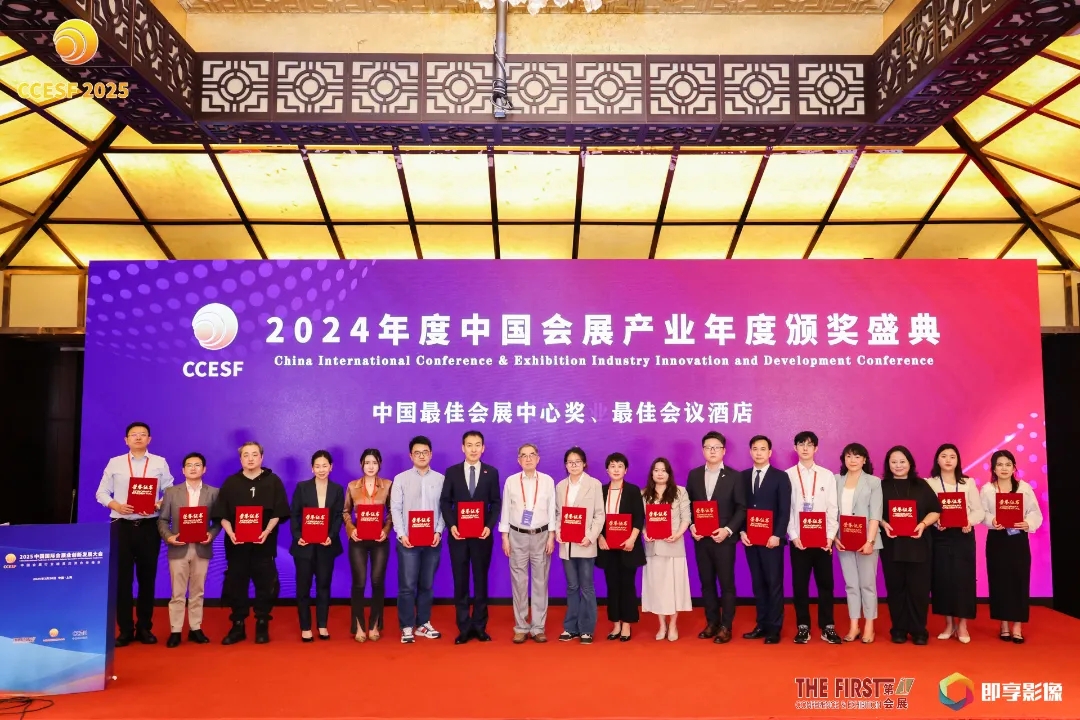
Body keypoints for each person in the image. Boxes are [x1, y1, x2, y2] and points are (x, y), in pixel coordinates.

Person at [96, 421, 174, 646]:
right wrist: (116, 505)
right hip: (122, 526)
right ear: (126, 440)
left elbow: (170, 490)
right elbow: (101, 493)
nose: (138, 438)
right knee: (123, 580)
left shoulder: (159, 462)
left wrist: (159, 503)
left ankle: (144, 628)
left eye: (142, 434)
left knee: (147, 579)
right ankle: (125, 630)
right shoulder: (115, 462)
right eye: (133, 434)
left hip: (149, 526)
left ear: (149, 439)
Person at [212, 441, 291, 645]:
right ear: (240, 459)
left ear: (261, 458)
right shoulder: (231, 483)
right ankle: (237, 625)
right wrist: (231, 533)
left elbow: (279, 511)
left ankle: (262, 622)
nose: (250, 458)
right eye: (246, 455)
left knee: (266, 584)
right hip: (237, 545)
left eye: (254, 454)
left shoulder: (273, 481)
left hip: (264, 544)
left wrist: (266, 531)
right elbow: (221, 513)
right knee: (236, 585)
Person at [440, 430, 502, 644]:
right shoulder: (452, 472)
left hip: (482, 536)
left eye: (477, 445)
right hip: (458, 537)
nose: (473, 449)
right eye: (469, 445)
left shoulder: (491, 472)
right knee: (461, 581)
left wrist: (489, 526)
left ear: (483, 448)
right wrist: (452, 525)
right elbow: (445, 502)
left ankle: (480, 626)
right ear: (462, 447)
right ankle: (464, 627)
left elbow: (496, 503)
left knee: (481, 580)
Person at [686, 431, 745, 644]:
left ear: (724, 451)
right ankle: (712, 622)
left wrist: (727, 530)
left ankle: (726, 626)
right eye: (708, 447)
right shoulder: (694, 475)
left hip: (724, 540)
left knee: (726, 584)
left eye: (716, 447)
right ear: (703, 450)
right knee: (707, 583)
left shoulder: (735, 476)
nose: (712, 451)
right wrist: (691, 525)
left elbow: (741, 508)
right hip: (701, 540)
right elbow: (688, 505)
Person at [879, 445, 941, 645]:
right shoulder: (881, 486)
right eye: (893, 462)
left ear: (910, 463)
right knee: (896, 589)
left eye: (902, 461)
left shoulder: (921, 485)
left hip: (919, 545)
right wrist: (883, 523)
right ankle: (898, 629)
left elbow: (935, 511)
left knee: (919, 590)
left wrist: (923, 524)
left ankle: (918, 630)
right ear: (888, 464)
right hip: (892, 545)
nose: (898, 465)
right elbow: (873, 512)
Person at [156, 452, 219, 648]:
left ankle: (195, 628)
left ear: (204, 469)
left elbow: (218, 521)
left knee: (197, 591)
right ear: (183, 470)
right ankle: (175, 630)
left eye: (197, 465)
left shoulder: (214, 492)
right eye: (189, 465)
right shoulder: (171, 492)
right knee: (177, 592)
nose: (193, 468)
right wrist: (169, 537)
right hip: (178, 548)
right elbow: (162, 520)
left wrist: (211, 534)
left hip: (201, 547)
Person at [980, 449, 1043, 644]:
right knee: (999, 581)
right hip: (997, 539)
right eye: (999, 465)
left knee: (1018, 580)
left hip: (1018, 540)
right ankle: (1004, 624)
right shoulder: (987, 489)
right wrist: (992, 520)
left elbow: (1035, 512)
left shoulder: (1024, 488)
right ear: (993, 469)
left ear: (1014, 468)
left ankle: (1017, 626)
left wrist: (1027, 523)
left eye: (1008, 464)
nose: (1004, 468)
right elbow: (982, 513)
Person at [785, 431, 842, 645]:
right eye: (801, 444)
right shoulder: (788, 475)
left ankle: (828, 626)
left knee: (826, 584)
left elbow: (832, 508)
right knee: (800, 585)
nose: (805, 448)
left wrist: (830, 537)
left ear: (816, 448)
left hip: (822, 541)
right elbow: (787, 510)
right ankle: (803, 626)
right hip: (799, 540)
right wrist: (793, 535)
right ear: (795, 448)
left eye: (809, 445)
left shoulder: (827, 475)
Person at [498, 443, 556, 644]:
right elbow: (506, 509)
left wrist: (551, 536)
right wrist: (504, 537)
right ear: (519, 460)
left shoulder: (547, 481)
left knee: (540, 582)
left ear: (538, 458)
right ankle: (521, 627)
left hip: (541, 535)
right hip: (517, 536)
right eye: (524, 455)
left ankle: (538, 627)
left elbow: (552, 509)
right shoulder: (511, 481)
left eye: (532, 455)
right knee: (519, 583)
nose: (528, 459)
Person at [390, 435, 446, 644]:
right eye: (417, 453)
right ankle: (406, 626)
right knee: (407, 586)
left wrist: (438, 532)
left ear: (431, 454)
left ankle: (423, 623)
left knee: (427, 585)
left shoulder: (441, 479)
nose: (421, 456)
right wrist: (401, 534)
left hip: (432, 541)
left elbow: (444, 509)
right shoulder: (401, 479)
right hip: (408, 542)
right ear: (410, 455)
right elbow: (395, 508)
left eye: (425, 452)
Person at [927, 443, 983, 644]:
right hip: (940, 536)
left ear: (958, 460)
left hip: (963, 536)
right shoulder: (930, 483)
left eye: (952, 456)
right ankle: (949, 624)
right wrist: (936, 523)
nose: (948, 460)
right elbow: (927, 510)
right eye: (944, 456)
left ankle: (963, 625)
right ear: (937, 459)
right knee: (943, 580)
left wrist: (969, 521)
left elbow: (978, 510)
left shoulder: (967, 482)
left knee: (963, 580)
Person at [739, 435, 791, 644]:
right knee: (758, 583)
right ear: (750, 452)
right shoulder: (742, 477)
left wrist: (777, 535)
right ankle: (761, 624)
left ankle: (775, 628)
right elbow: (739, 508)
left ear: (770, 452)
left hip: (772, 541)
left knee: (774, 584)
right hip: (750, 540)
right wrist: (742, 531)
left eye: (762, 449)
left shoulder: (780, 477)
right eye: (755, 449)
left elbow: (785, 509)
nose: (758, 452)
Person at [289, 450, 345, 642]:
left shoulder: (337, 489)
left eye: (325, 466)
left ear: (331, 467)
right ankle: (305, 627)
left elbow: (338, 516)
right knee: (303, 588)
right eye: (317, 466)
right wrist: (298, 536)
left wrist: (331, 536)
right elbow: (294, 514)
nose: (321, 470)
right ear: (312, 468)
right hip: (304, 546)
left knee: (323, 586)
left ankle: (322, 625)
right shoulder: (302, 487)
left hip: (326, 545)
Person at [553, 447, 605, 644]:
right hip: (567, 544)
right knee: (572, 586)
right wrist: (558, 531)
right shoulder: (561, 486)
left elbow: (599, 515)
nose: (573, 465)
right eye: (570, 462)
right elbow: (558, 513)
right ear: (565, 465)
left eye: (577, 462)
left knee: (587, 587)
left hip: (585, 543)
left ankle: (587, 629)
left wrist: (591, 537)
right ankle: (570, 627)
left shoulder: (594, 484)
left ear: (584, 463)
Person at [833, 442, 882, 644]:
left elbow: (875, 514)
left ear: (864, 460)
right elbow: (831, 511)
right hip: (843, 541)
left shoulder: (873, 482)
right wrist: (834, 537)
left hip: (867, 541)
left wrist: (870, 540)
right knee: (851, 584)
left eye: (857, 456)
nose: (852, 460)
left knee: (867, 585)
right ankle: (854, 626)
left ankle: (869, 626)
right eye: (848, 456)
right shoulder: (836, 480)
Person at [343, 449, 392, 643]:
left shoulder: (388, 485)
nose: (371, 466)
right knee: (359, 583)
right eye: (367, 463)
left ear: (380, 464)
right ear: (361, 465)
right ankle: (359, 626)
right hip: (358, 540)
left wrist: (386, 530)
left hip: (380, 539)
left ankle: (374, 625)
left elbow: (392, 512)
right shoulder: (352, 486)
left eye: (374, 462)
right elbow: (345, 511)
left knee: (377, 582)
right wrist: (351, 528)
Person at [596, 452, 646, 642]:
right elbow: (595, 517)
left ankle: (627, 624)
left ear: (626, 470)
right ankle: (615, 623)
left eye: (620, 466)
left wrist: (632, 539)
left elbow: (639, 517)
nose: (616, 470)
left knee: (627, 585)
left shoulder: (633, 490)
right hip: (607, 546)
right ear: (607, 470)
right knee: (612, 585)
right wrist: (600, 537)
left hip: (628, 546)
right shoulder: (600, 491)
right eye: (612, 466)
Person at [641, 457, 691, 642]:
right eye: (656, 470)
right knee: (658, 589)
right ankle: (662, 624)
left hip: (673, 546)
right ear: (652, 473)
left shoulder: (680, 492)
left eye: (663, 470)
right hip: (653, 548)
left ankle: (673, 625)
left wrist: (678, 534)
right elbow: (640, 521)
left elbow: (686, 518)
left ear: (669, 473)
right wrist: (645, 533)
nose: (660, 473)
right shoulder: (644, 494)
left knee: (674, 589)